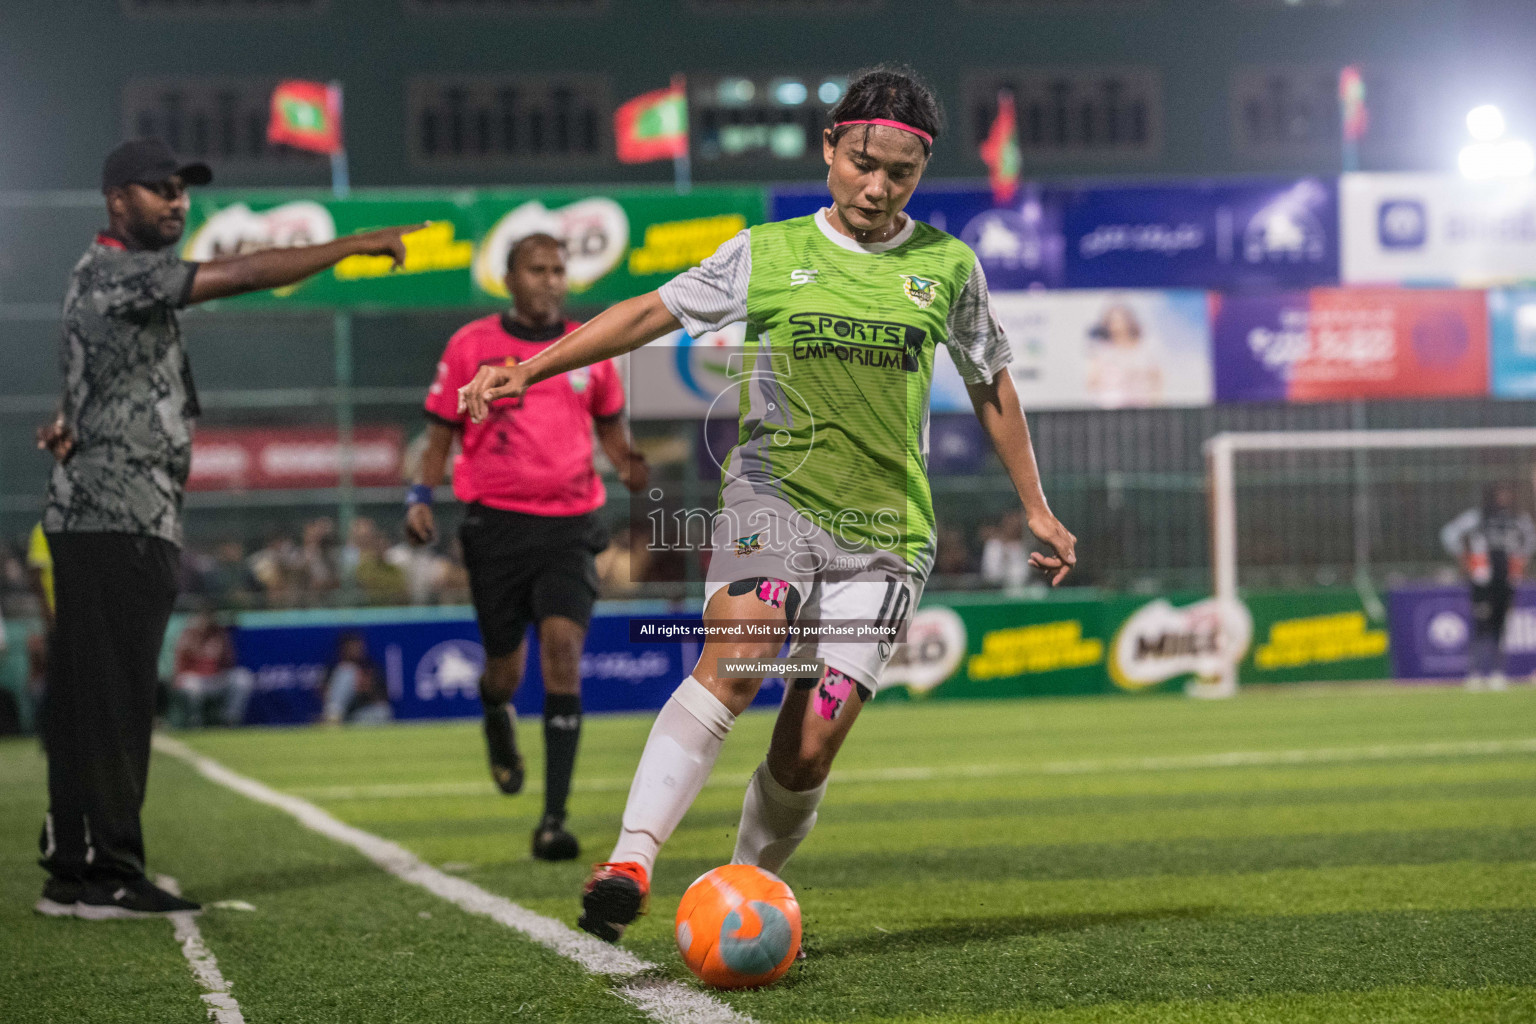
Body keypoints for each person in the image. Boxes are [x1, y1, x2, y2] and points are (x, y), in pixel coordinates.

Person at [458, 66, 1076, 942]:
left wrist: (1037, 506)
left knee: (813, 742)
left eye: (901, 172)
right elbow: (646, 314)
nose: (879, 186)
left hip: (887, 535)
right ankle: (632, 858)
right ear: (829, 148)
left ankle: (740, 890)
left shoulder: (947, 267)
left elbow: (992, 384)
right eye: (864, 162)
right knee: (742, 654)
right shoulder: (768, 252)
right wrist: (530, 366)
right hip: (773, 497)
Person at [34, 137, 422, 920]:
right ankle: (111, 870)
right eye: (157, 190)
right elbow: (241, 274)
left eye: (181, 190)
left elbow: (97, 377)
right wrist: (352, 244)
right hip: (118, 518)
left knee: (88, 696)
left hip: (98, 514)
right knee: (115, 699)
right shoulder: (118, 268)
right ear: (117, 201)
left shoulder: (100, 277)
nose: (176, 202)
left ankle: (73, 866)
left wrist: (67, 420)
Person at [408, 231, 648, 862]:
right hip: (496, 527)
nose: (550, 280)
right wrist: (419, 498)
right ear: (509, 279)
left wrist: (634, 471)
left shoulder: (587, 349)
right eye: (537, 269)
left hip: (571, 525)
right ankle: (495, 711)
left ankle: (553, 819)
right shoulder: (471, 346)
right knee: (506, 670)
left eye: (558, 270)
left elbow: (613, 430)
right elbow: (438, 433)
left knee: (563, 652)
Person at [1441, 483, 1536, 690]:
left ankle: (1497, 673)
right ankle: (1475, 673)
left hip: (1506, 580)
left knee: (1500, 627)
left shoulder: (1517, 519)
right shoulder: (1477, 517)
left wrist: (1522, 560)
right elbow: (1449, 533)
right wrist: (1463, 557)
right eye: (1500, 494)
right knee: (1481, 625)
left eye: (1507, 494)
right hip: (1482, 581)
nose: (1504, 498)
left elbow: (1530, 540)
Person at [170, 612, 252, 728]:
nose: (204, 622)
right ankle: (195, 721)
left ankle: (230, 719)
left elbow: (229, 663)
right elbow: (180, 666)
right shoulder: (187, 636)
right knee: (192, 684)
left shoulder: (219, 635)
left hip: (216, 679)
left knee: (242, 677)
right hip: (196, 679)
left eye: (206, 618)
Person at [321, 632, 392, 725]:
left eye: (357, 646)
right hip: (339, 712)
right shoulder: (334, 667)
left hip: (358, 715)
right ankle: (332, 720)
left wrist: (367, 689)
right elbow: (324, 694)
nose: (355, 650)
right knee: (347, 672)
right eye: (351, 647)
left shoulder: (370, 667)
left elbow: (382, 698)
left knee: (383, 711)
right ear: (343, 648)